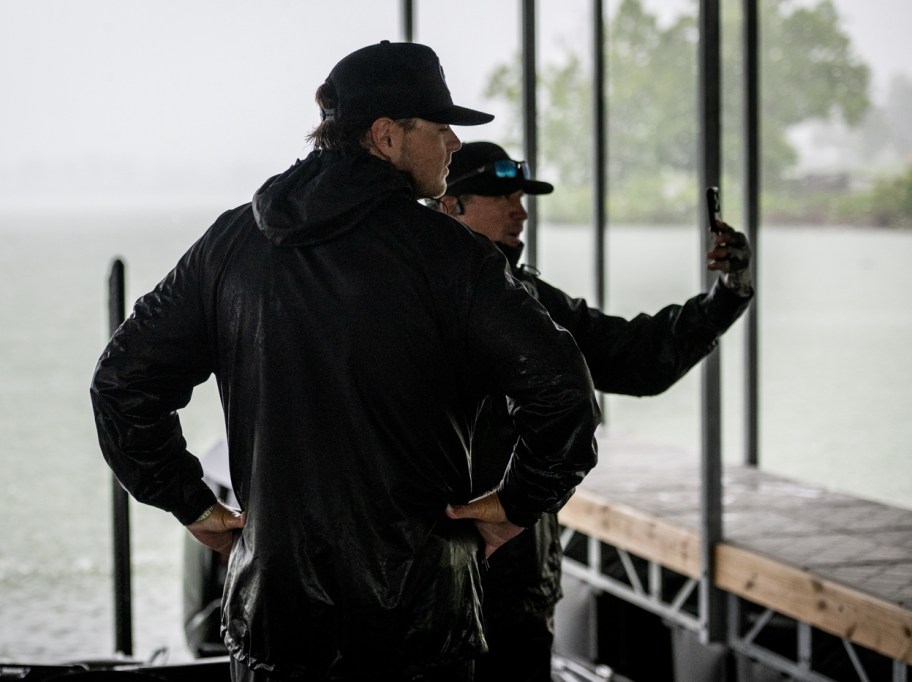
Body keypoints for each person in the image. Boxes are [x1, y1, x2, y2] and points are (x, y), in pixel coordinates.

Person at [90, 43, 601, 682]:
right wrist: (518, 504)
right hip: (419, 630)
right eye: (440, 127)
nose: (453, 143)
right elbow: (565, 396)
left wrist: (190, 502)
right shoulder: (453, 256)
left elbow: (122, 384)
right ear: (386, 136)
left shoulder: (229, 245)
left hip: (276, 624)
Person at [430, 141, 753, 682]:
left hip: (515, 590)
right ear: (450, 205)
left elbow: (634, 357)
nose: (521, 211)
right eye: (502, 196)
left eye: (521, 198)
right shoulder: (404, 301)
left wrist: (726, 296)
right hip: (433, 589)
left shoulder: (529, 299)